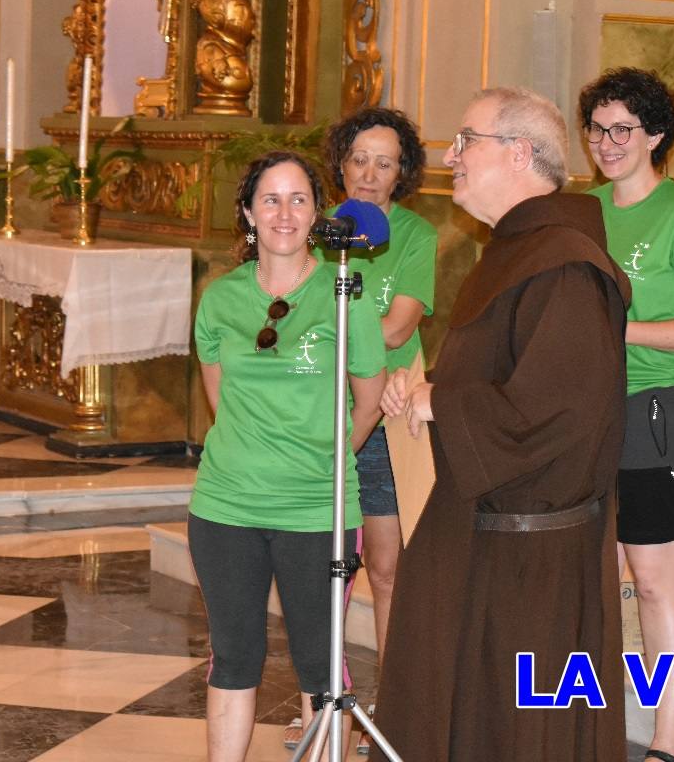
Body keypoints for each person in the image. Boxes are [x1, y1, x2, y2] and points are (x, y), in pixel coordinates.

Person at [369, 87, 631, 762]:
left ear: (520, 153)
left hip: (530, 560)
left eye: (465, 141)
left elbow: (560, 410)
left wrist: (443, 405)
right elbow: (498, 377)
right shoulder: (517, 250)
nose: (450, 156)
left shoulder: (564, 263)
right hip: (486, 534)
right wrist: (424, 388)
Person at [189, 150, 387, 762]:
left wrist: (323, 461)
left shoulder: (345, 290)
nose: (284, 212)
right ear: (248, 212)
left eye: (298, 198)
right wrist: (258, 454)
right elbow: (222, 398)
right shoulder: (220, 300)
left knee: (320, 665)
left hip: (317, 510)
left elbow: (370, 400)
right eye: (269, 199)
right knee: (234, 657)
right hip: (226, 507)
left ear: (316, 212)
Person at [579, 68, 674, 762]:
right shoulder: (580, 211)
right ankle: (590, 726)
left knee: (653, 575)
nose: (606, 143)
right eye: (597, 128)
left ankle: (670, 743)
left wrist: (622, 330)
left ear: (655, 136)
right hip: (585, 409)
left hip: (656, 409)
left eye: (622, 130)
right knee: (592, 575)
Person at [280, 107, 437, 753]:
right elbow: (282, 322)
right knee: (316, 567)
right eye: (360, 159)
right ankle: (319, 704)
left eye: (386, 162)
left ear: (403, 173)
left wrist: (331, 326)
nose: (371, 174)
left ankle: (395, 700)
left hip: (387, 417)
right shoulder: (310, 231)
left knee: (385, 563)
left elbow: (398, 329)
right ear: (340, 164)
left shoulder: (417, 235)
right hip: (314, 415)